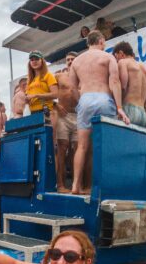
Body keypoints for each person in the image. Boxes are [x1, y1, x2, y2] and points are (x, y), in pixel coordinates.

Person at [68, 30, 130, 194]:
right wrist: (119, 108)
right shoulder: (108, 57)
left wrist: (80, 101)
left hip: (85, 99)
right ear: (101, 41)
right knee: (106, 146)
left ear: (88, 42)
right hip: (104, 99)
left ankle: (75, 185)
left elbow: (72, 88)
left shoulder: (77, 61)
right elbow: (115, 82)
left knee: (82, 146)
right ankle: (104, 187)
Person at [113, 41, 146, 127]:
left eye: (116, 57)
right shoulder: (144, 68)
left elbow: (123, 86)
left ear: (121, 53)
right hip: (142, 114)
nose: (116, 60)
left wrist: (118, 106)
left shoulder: (123, 62)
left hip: (128, 110)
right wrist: (145, 102)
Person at [54, 52, 79, 192]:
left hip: (78, 116)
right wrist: (55, 105)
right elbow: (48, 91)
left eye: (72, 59)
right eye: (68, 59)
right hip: (63, 116)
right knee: (62, 150)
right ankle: (60, 185)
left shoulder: (82, 77)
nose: (70, 61)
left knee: (77, 150)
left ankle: (76, 185)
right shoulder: (59, 76)